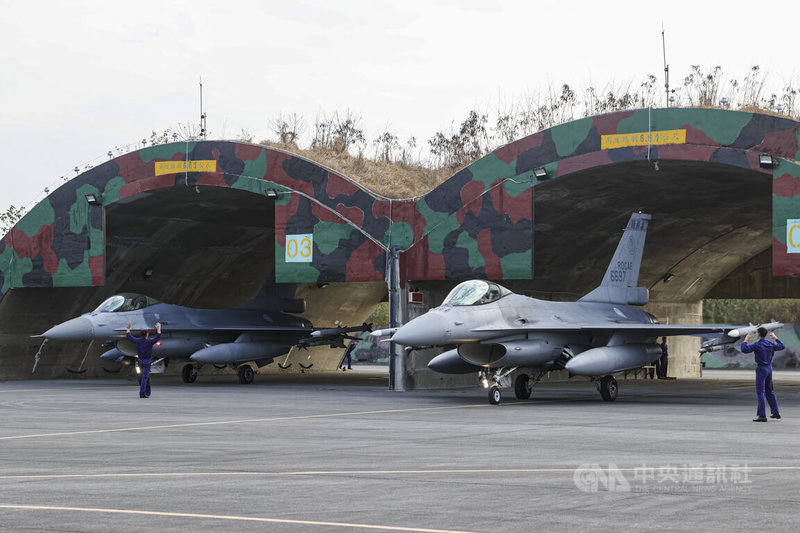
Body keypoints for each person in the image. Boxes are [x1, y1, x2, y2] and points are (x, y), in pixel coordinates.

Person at [740, 327, 784, 422]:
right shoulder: (770, 344)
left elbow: (744, 349)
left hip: (761, 369)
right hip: (769, 369)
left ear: (758, 334)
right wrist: (775, 338)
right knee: (770, 391)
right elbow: (782, 346)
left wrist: (746, 340)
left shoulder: (757, 345)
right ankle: (775, 412)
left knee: (760, 392)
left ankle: (762, 415)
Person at [126, 321, 161, 398]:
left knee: (146, 377)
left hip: (141, 361)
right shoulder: (149, 341)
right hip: (147, 361)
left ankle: (148, 392)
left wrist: (128, 327)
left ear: (141, 335)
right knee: (145, 378)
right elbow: (158, 337)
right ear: (147, 335)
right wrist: (158, 328)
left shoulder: (138, 341)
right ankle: (142, 393)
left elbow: (129, 336)